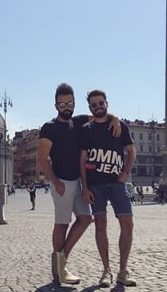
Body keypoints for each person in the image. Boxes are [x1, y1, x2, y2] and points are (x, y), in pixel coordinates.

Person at [38, 83, 120, 285]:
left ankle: (60, 260)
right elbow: (42, 158)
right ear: (55, 105)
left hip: (78, 180)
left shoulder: (79, 121)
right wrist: (55, 182)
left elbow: (101, 114)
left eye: (69, 103)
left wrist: (115, 118)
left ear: (74, 103)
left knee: (85, 219)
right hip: (63, 182)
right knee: (62, 223)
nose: (66, 106)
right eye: (62, 104)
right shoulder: (49, 128)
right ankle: (59, 268)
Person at [80, 89, 137, 287]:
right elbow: (82, 160)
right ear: (90, 108)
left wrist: (125, 173)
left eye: (101, 103)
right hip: (96, 184)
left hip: (117, 183)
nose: (98, 107)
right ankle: (106, 271)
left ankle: (123, 271)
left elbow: (131, 152)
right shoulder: (86, 129)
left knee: (127, 224)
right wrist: (84, 186)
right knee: (100, 225)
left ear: (107, 104)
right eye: (94, 105)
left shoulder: (120, 126)